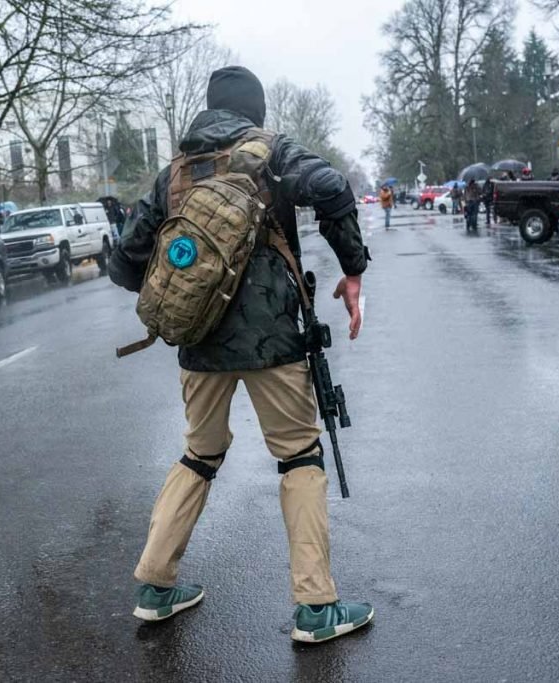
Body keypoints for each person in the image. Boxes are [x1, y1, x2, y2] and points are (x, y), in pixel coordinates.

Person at [108, 66, 372, 643]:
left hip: (197, 342)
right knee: (299, 455)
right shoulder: (273, 153)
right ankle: (315, 606)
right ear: (256, 110)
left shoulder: (174, 174)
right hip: (273, 338)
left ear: (208, 109)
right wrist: (352, 268)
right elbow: (330, 187)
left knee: (199, 454)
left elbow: (125, 264)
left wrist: (186, 292)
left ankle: (154, 586)